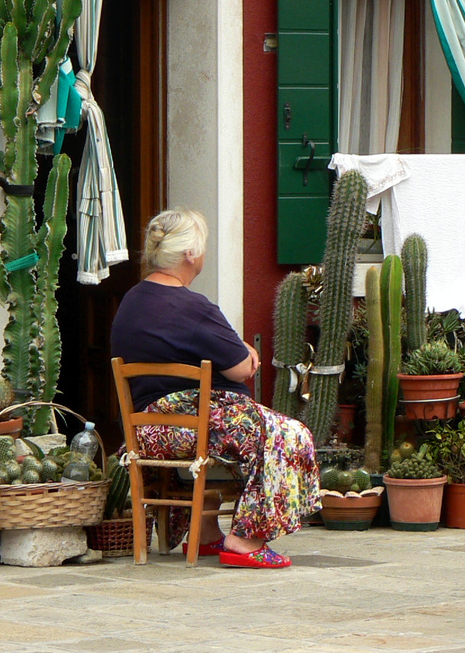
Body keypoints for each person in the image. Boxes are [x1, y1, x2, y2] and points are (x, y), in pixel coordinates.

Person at [110, 208, 319, 569]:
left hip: (146, 429)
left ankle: (205, 533)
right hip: (188, 422)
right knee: (287, 434)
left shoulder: (131, 301)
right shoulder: (193, 307)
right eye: (202, 246)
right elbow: (241, 367)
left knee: (246, 429)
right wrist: (249, 353)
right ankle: (244, 541)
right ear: (190, 254)